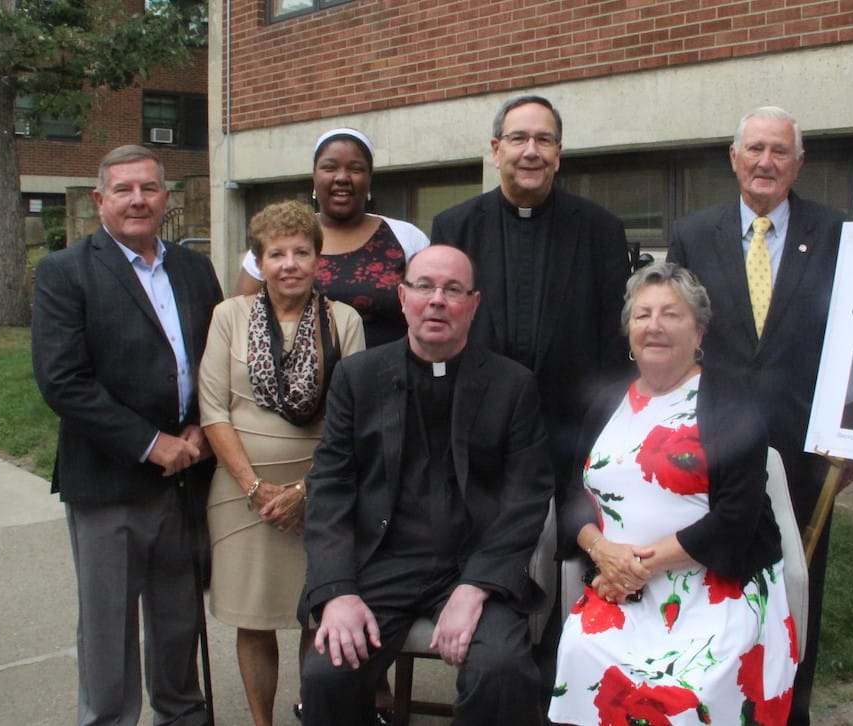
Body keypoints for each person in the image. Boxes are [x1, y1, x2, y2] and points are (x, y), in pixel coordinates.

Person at [297, 245, 554, 725]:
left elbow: (527, 498)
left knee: (501, 670)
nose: (437, 300)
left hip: (473, 564)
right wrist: (337, 592)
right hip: (382, 565)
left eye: (453, 289)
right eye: (424, 287)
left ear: (473, 304)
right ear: (402, 297)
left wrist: (476, 587)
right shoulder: (358, 377)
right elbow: (329, 487)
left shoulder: (512, 385)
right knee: (326, 675)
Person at [550, 261, 797, 725]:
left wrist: (635, 565)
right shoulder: (606, 401)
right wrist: (602, 552)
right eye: (642, 315)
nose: (654, 326)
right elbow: (571, 493)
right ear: (628, 331)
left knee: (684, 689)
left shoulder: (732, 398)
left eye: (671, 314)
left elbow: (736, 516)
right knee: (580, 650)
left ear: (699, 331)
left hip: (715, 587)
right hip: (620, 587)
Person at [666, 106, 851, 725]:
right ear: (734, 156)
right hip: (714, 447)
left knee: (798, 588)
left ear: (799, 163)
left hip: (806, 448)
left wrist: (849, 438)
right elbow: (676, 335)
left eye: (780, 151)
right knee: (715, 582)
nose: (766, 162)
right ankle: (714, 705)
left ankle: (788, 709)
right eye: (755, 149)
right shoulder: (694, 234)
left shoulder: (837, 232)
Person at [31, 145, 223, 726]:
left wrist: (200, 427)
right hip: (110, 481)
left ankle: (181, 715)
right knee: (109, 627)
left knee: (178, 619)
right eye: (123, 190)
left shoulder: (195, 269)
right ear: (100, 201)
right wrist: (151, 441)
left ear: (167, 198)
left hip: (187, 480)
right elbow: (63, 380)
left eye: (149, 188)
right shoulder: (66, 272)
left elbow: (216, 357)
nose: (137, 200)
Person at [198, 200, 365, 725]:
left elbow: (356, 417)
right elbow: (212, 409)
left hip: (322, 492)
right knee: (254, 619)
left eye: (301, 251)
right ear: (260, 262)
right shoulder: (229, 316)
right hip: (238, 495)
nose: (289, 263)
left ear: (319, 259)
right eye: (276, 254)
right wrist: (254, 487)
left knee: (317, 617)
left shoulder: (344, 321)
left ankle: (311, 713)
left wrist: (306, 492)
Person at [430, 95, 632, 503]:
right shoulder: (454, 227)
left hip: (573, 435)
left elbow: (615, 340)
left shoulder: (600, 230)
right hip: (478, 436)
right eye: (518, 138)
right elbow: (437, 332)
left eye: (544, 140)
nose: (531, 152)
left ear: (558, 154)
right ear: (495, 149)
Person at [236, 128, 429, 348]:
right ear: (314, 177)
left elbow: (431, 306)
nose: (342, 178)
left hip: (388, 377)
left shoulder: (406, 237)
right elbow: (242, 317)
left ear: (369, 178)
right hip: (297, 379)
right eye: (330, 167)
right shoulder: (276, 237)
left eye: (356, 169)